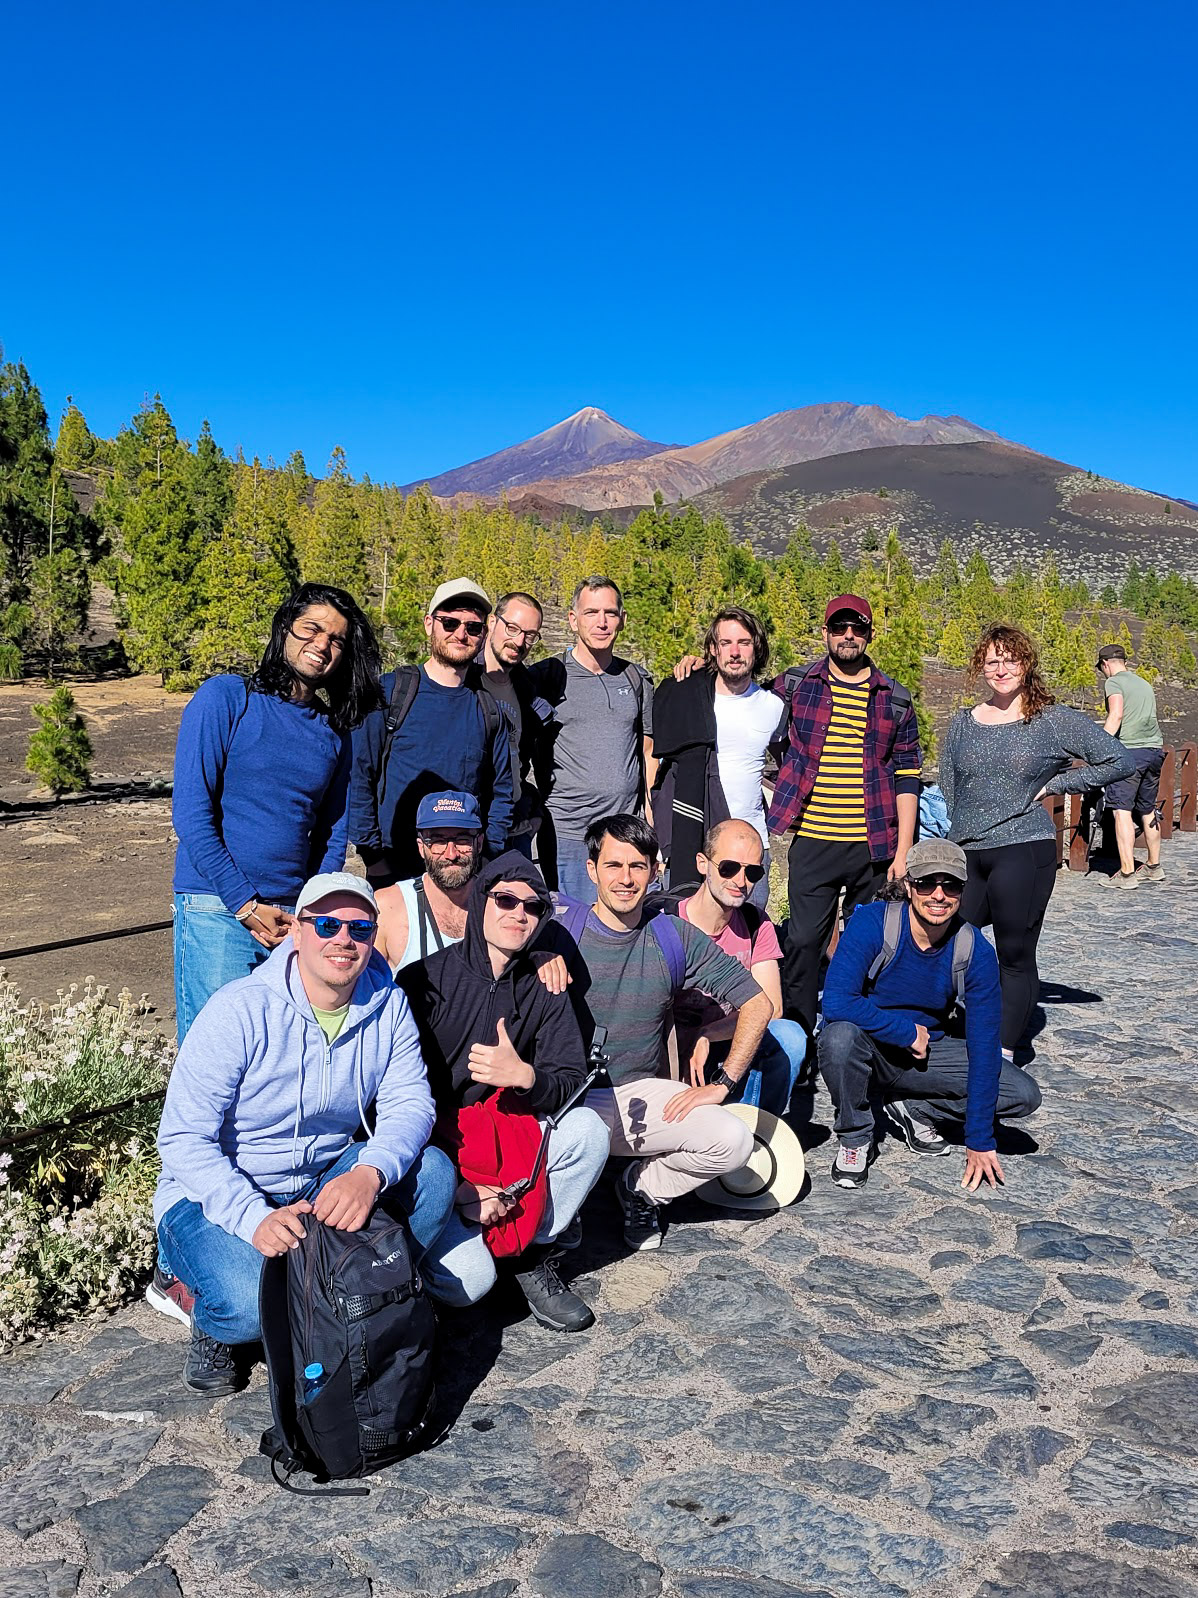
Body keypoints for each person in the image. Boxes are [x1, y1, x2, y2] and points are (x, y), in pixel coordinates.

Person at [153, 872, 455, 1394]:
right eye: (326, 924)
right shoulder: (239, 1010)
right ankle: (197, 1305)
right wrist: (252, 1218)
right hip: (219, 1192)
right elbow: (183, 1139)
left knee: (432, 1175)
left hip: (322, 1176)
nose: (344, 938)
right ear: (296, 931)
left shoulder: (388, 1003)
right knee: (249, 1310)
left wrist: (370, 1172)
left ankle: (365, 1296)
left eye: (359, 928)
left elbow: (410, 1102)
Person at [398, 853, 611, 1332]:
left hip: (509, 1141)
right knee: (468, 1284)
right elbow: (389, 1099)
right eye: (506, 899)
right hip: (438, 1154)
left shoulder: (544, 984)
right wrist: (456, 1189)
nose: (519, 913)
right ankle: (428, 1261)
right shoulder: (422, 981)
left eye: (533, 907)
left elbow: (568, 1080)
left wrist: (525, 1077)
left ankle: (529, 1253)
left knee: (588, 1131)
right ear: (480, 902)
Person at [171, 583, 381, 1044]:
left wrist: (309, 910)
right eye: (312, 629)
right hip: (217, 910)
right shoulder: (226, 698)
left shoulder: (333, 731)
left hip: (291, 920)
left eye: (338, 640)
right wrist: (244, 904)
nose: (322, 645)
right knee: (215, 1055)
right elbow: (190, 813)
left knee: (280, 1055)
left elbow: (332, 832)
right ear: (285, 627)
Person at [553, 814, 774, 1252]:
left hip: (642, 1094)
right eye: (614, 865)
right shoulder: (559, 932)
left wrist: (722, 1083)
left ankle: (641, 1189)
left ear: (656, 872)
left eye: (638, 866)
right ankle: (566, 1199)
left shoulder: (673, 936)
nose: (626, 878)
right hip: (567, 1096)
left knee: (732, 1141)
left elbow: (759, 1003)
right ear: (592, 869)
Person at [941, 624, 1133, 1056]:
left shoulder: (1052, 720)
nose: (1002, 668)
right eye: (993, 660)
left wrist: (1063, 783)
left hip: (1024, 847)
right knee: (950, 941)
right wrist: (956, 835)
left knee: (1014, 949)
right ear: (981, 667)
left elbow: (1117, 759)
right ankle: (957, 1034)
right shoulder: (963, 723)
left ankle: (1002, 1053)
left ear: (1026, 664)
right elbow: (950, 785)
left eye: (1011, 659)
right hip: (967, 850)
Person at [817, 839, 1042, 1192]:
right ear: (908, 886)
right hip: (871, 1045)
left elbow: (984, 1046)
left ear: (963, 891)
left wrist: (980, 1139)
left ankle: (917, 1110)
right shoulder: (873, 924)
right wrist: (904, 1032)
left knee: (1022, 1093)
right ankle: (856, 1136)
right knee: (838, 1036)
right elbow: (836, 1002)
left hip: (926, 1055)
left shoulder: (974, 949)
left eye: (950, 884)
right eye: (926, 883)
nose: (938, 895)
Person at [767, 594, 922, 1034]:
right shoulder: (796, 684)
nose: (848, 636)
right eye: (839, 627)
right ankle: (796, 1031)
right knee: (801, 940)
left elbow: (908, 775)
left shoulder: (894, 698)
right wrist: (697, 667)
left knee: (865, 944)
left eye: (857, 628)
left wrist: (903, 851)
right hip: (813, 838)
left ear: (870, 634)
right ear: (826, 633)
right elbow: (739, 699)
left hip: (873, 845)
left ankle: (851, 1030)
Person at [349, 578, 512, 887]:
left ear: (483, 635)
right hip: (392, 871)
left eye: (472, 627)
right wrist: (374, 858)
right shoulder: (390, 693)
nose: (460, 634)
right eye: (449, 622)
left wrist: (487, 854)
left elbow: (501, 792)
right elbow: (359, 777)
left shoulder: (488, 711)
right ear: (429, 624)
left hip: (462, 873)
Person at [652, 819, 806, 1118]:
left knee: (789, 1037)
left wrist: (708, 1034)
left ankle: (752, 1128)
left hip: (725, 1040)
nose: (740, 880)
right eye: (728, 868)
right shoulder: (665, 922)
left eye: (753, 872)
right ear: (702, 863)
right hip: (666, 1044)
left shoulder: (755, 923)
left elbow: (771, 1009)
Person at [527, 576, 656, 904]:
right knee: (570, 929)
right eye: (591, 612)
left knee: (624, 928)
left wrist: (652, 824)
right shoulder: (546, 676)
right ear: (573, 619)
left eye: (610, 613)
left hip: (625, 831)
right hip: (567, 835)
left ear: (622, 620)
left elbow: (648, 751)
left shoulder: (636, 678)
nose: (602, 622)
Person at [654, 606, 787, 909]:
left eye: (744, 642)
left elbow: (787, 763)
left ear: (757, 647)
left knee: (746, 936)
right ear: (713, 649)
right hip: (693, 838)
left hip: (751, 846)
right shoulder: (688, 695)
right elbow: (657, 763)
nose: (735, 652)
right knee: (684, 931)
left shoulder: (773, 707)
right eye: (725, 643)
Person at [476, 591, 554, 859]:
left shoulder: (526, 690)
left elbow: (520, 760)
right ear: (491, 623)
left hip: (515, 829)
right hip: (472, 830)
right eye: (512, 628)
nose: (519, 641)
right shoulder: (466, 682)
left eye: (530, 635)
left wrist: (534, 812)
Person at [377, 790, 484, 971]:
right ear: (421, 847)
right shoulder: (387, 908)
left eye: (462, 840)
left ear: (479, 843)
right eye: (439, 841)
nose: (451, 854)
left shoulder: (500, 902)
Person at [1097, 642, 1166, 887]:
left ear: (1105, 664)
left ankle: (1127, 874)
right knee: (1147, 808)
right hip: (1154, 750)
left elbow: (1116, 715)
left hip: (1130, 752)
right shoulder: (1144, 683)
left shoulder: (1113, 682)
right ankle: (1154, 866)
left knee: (1121, 810)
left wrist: (1100, 747)